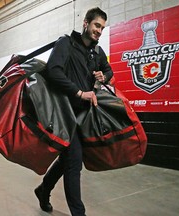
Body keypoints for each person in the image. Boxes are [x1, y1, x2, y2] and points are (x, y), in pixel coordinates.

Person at [34, 7, 113, 216]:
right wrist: (79, 93)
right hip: (64, 113)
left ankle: (43, 190)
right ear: (86, 23)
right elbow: (53, 71)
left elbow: (108, 69)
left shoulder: (97, 51)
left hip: (85, 116)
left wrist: (104, 77)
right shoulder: (66, 44)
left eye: (102, 28)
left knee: (68, 160)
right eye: (97, 25)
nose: (99, 31)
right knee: (74, 162)